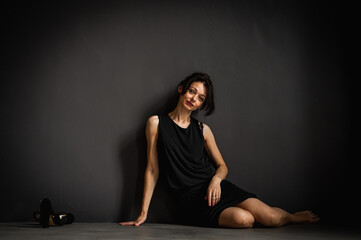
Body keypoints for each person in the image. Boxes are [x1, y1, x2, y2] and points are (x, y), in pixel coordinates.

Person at [119, 72, 319, 228]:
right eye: (192, 91)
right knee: (244, 220)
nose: (194, 99)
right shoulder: (156, 123)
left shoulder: (203, 130)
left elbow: (222, 166)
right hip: (192, 199)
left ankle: (292, 217)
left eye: (200, 98)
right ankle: (272, 218)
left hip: (215, 187)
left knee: (271, 217)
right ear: (181, 89)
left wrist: (216, 181)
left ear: (202, 104)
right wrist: (143, 212)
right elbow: (152, 170)